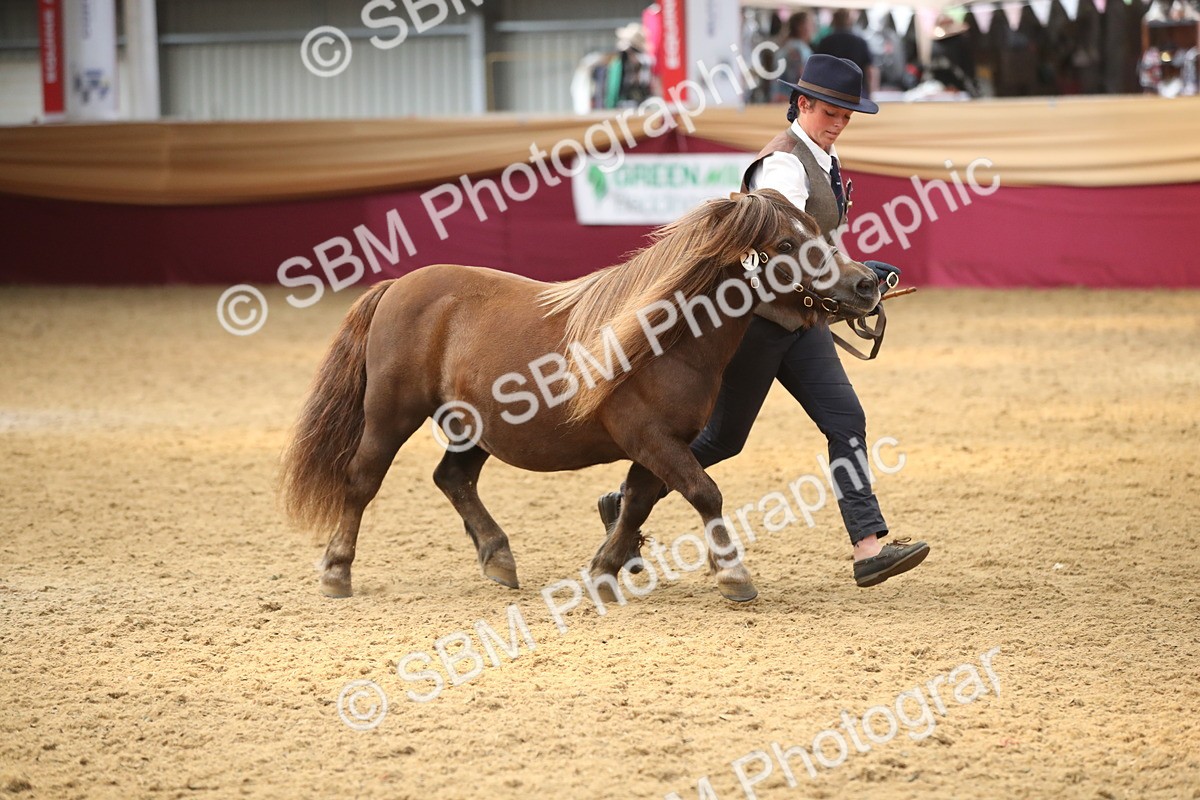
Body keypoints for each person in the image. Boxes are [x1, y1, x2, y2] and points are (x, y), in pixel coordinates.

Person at [597, 55, 929, 589]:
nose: (839, 122)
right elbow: (786, 250)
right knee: (724, 440)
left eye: (847, 114)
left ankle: (868, 546)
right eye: (831, 112)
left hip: (802, 321)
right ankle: (627, 500)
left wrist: (859, 274)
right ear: (802, 104)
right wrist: (845, 279)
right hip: (756, 321)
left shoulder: (823, 158)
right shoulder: (783, 166)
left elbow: (818, 245)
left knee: (845, 420)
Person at [814, 10, 879, 99]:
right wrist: (872, 93)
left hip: (831, 91)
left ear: (834, 21)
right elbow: (870, 70)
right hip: (856, 91)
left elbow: (817, 68)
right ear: (850, 21)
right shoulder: (860, 42)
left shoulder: (825, 42)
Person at [771, 12, 815, 103]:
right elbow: (800, 77)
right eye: (810, 24)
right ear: (800, 27)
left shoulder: (788, 46)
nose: (813, 28)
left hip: (783, 99)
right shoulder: (797, 49)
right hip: (790, 100)